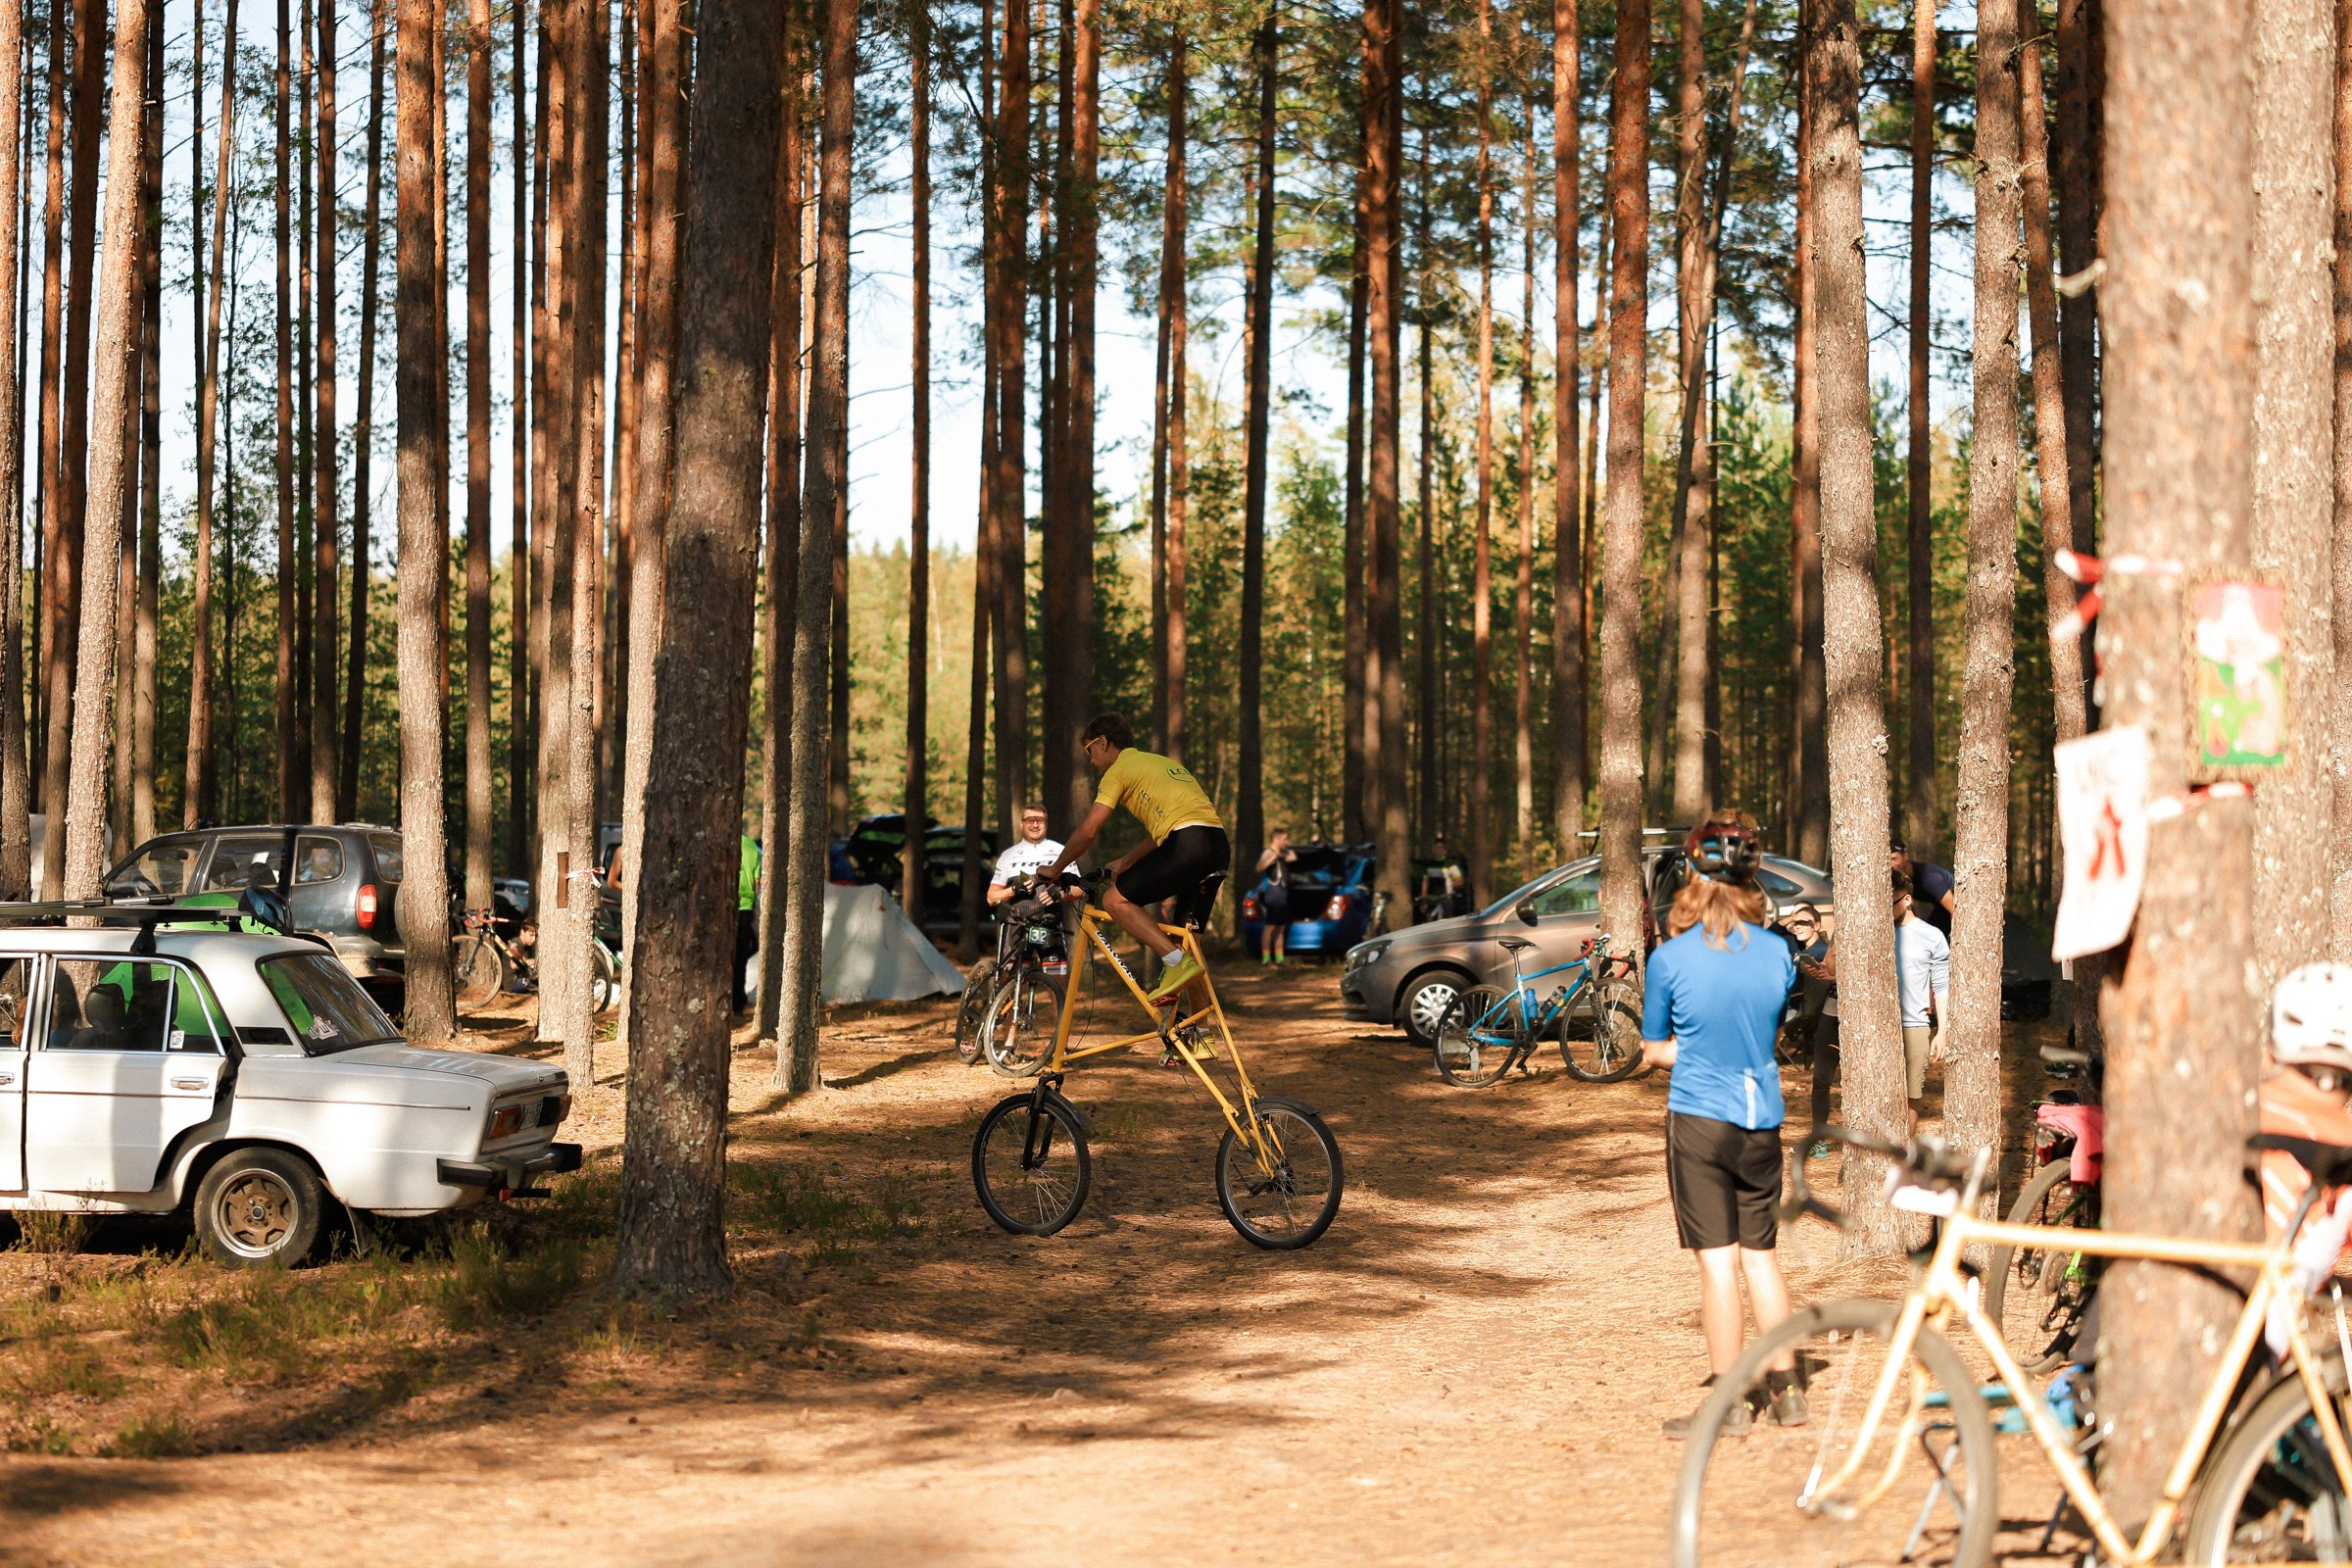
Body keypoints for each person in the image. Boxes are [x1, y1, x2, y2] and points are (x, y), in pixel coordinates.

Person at [1648, 814, 1803, 1439]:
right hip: (1761, 1119)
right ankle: (1790, 1393)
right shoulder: (1775, 952)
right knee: (1762, 1259)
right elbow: (1767, 1029)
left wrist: (1694, 1050)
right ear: (1752, 876)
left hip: (1700, 1122)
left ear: (1690, 872)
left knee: (1718, 1266)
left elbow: (1655, 1050)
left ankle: (1729, 1405)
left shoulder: (1670, 957)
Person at [1041, 712, 1229, 1004]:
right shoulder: (1162, 763)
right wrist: (1127, 860)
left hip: (1186, 843)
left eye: (1090, 751)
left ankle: (1174, 962)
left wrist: (1056, 868)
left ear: (1103, 742)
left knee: (1115, 901)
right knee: (1186, 942)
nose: (1091, 761)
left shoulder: (1119, 770)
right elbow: (1167, 828)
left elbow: (1089, 830)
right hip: (1216, 845)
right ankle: (1201, 1036)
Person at [1893, 867, 1950, 1133]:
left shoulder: (1932, 936)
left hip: (1914, 1025)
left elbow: (1942, 987)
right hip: (1878, 1027)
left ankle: (1902, 1161)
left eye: (1891, 902)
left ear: (1906, 900)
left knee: (1910, 1099)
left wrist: (1943, 1031)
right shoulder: (1869, 934)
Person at [988, 806, 1064, 906]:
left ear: (1046, 824)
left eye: (1040, 821)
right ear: (1021, 825)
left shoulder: (1061, 851)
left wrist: (1059, 894)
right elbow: (991, 898)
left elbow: (1080, 890)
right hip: (1017, 920)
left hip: (1052, 920)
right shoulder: (1008, 855)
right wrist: (1013, 890)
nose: (1035, 825)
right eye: (1030, 821)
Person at [1889, 837, 1955, 937]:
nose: (1890, 864)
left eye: (1894, 859)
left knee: (1932, 937)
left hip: (1955, 901)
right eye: (1887, 860)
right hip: (1939, 906)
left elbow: (1955, 910)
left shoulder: (1929, 878)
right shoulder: (1899, 880)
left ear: (1906, 856)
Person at [1254, 828, 1298, 965]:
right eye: (1284, 839)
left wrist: (1283, 851)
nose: (1286, 842)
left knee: (1281, 927)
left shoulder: (1283, 854)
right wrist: (1273, 857)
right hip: (1273, 895)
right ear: (1276, 839)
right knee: (1270, 927)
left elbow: (1294, 857)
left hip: (1283, 895)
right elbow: (1259, 867)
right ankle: (1266, 959)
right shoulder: (1268, 852)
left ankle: (1279, 958)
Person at [734, 832, 760, 1012]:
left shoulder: (718, 839)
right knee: (740, 958)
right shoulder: (750, 845)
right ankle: (738, 1003)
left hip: (724, 907)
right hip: (745, 909)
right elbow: (756, 880)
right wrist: (752, 905)